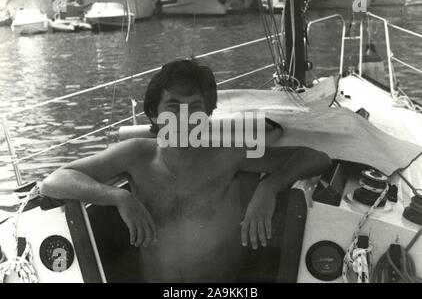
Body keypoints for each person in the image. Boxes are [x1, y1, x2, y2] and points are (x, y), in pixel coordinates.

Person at [40, 59, 332, 282]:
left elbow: (315, 157)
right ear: (154, 114)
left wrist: (270, 187)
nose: (185, 117)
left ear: (207, 115)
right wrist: (120, 198)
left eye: (195, 106)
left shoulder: (228, 154)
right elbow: (55, 180)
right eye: (173, 105)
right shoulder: (136, 155)